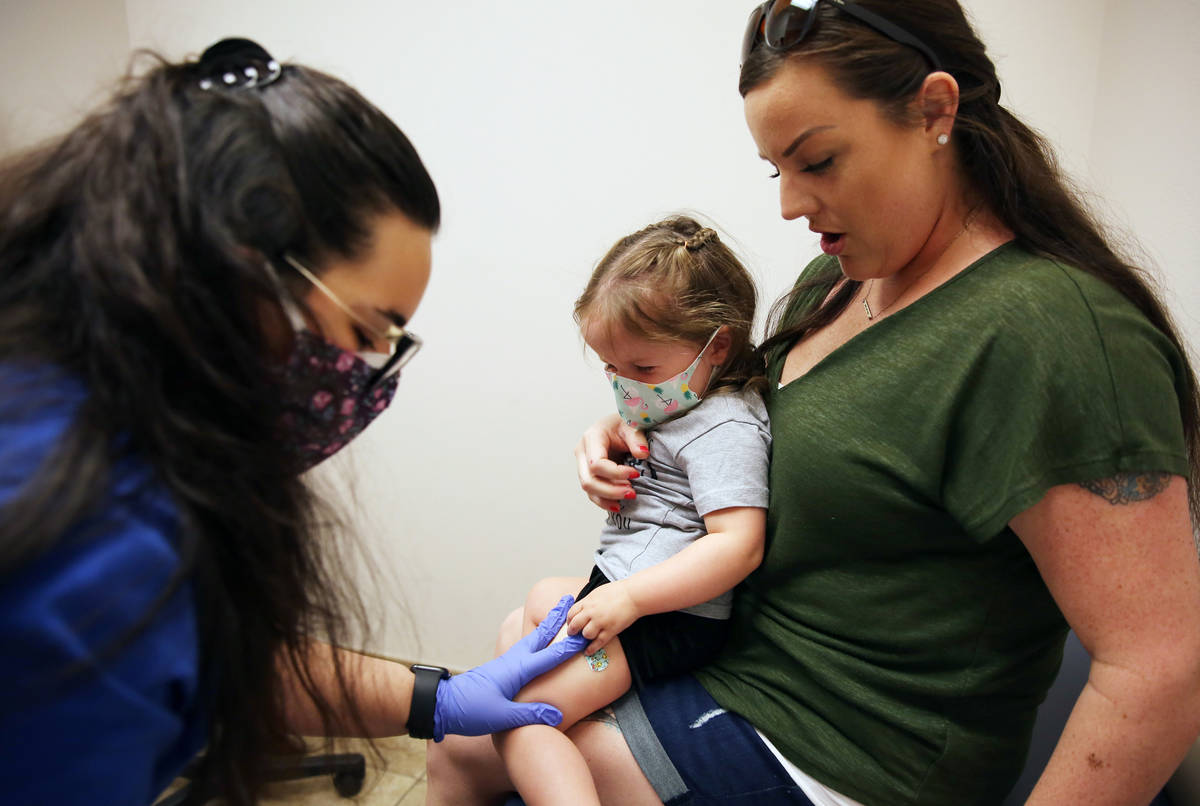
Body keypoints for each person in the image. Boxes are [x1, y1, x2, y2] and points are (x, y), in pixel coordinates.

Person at [425, 1, 1200, 804]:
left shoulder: (1057, 334)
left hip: (836, 752)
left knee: (472, 741)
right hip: (733, 665)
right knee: (486, 699)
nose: (790, 204)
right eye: (777, 171)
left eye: (819, 162)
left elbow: (1157, 674)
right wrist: (628, 426)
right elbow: (744, 430)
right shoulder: (836, 282)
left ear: (936, 110)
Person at [0, 38, 586, 806]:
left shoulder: (70, 382)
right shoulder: (95, 539)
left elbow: (214, 654)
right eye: (369, 329)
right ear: (245, 274)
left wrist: (437, 697)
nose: (368, 373)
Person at [492, 216, 771, 806]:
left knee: (519, 718)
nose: (625, 387)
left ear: (717, 344)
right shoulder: (685, 400)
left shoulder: (724, 428)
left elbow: (738, 544)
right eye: (611, 369)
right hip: (629, 595)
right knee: (541, 598)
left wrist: (631, 600)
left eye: (641, 370)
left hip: (662, 622)